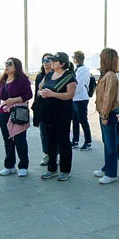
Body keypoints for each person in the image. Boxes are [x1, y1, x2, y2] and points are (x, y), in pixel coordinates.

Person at [38, 52, 77, 181]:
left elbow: (70, 95)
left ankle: (65, 170)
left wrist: (53, 94)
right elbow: (40, 87)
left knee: (63, 141)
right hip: (48, 112)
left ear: (62, 63)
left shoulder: (69, 76)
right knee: (50, 141)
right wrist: (42, 93)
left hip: (63, 113)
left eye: (55, 61)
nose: (52, 62)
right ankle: (52, 168)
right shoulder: (49, 75)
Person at [0, 58, 33, 177]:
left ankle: (23, 166)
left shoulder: (22, 80)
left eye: (9, 64)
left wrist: (14, 100)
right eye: (6, 63)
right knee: (7, 140)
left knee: (20, 140)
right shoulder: (3, 80)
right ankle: (9, 166)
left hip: (18, 112)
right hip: (4, 112)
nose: (6, 66)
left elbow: (29, 95)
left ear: (16, 66)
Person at [93, 48, 119, 184]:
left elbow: (108, 97)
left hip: (109, 113)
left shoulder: (110, 75)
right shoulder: (106, 74)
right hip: (105, 112)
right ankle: (107, 167)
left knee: (110, 144)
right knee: (107, 142)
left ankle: (111, 173)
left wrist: (104, 115)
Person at [32, 53, 53, 166]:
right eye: (43, 60)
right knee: (43, 133)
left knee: (53, 133)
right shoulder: (40, 76)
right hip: (41, 108)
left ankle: (54, 154)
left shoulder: (56, 75)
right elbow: (36, 92)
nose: (45, 62)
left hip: (53, 108)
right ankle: (47, 154)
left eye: (48, 60)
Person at [71, 51, 93, 150]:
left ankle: (88, 141)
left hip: (81, 98)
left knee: (82, 120)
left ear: (76, 59)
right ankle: (75, 141)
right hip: (76, 98)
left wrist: (71, 94)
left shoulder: (83, 70)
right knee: (75, 120)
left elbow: (79, 85)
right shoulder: (78, 69)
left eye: (74, 57)